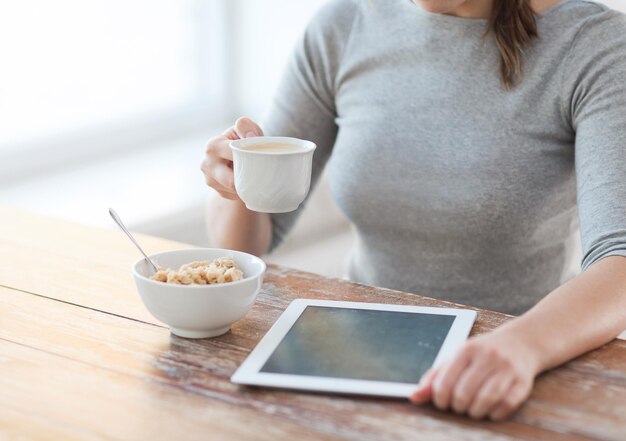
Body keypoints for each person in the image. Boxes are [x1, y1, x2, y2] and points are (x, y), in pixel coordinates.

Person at [201, 0, 626, 421]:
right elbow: (247, 241)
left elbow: (619, 260)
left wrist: (521, 346)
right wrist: (237, 180)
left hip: (511, 368)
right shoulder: (345, 24)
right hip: (357, 366)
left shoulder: (594, 45)